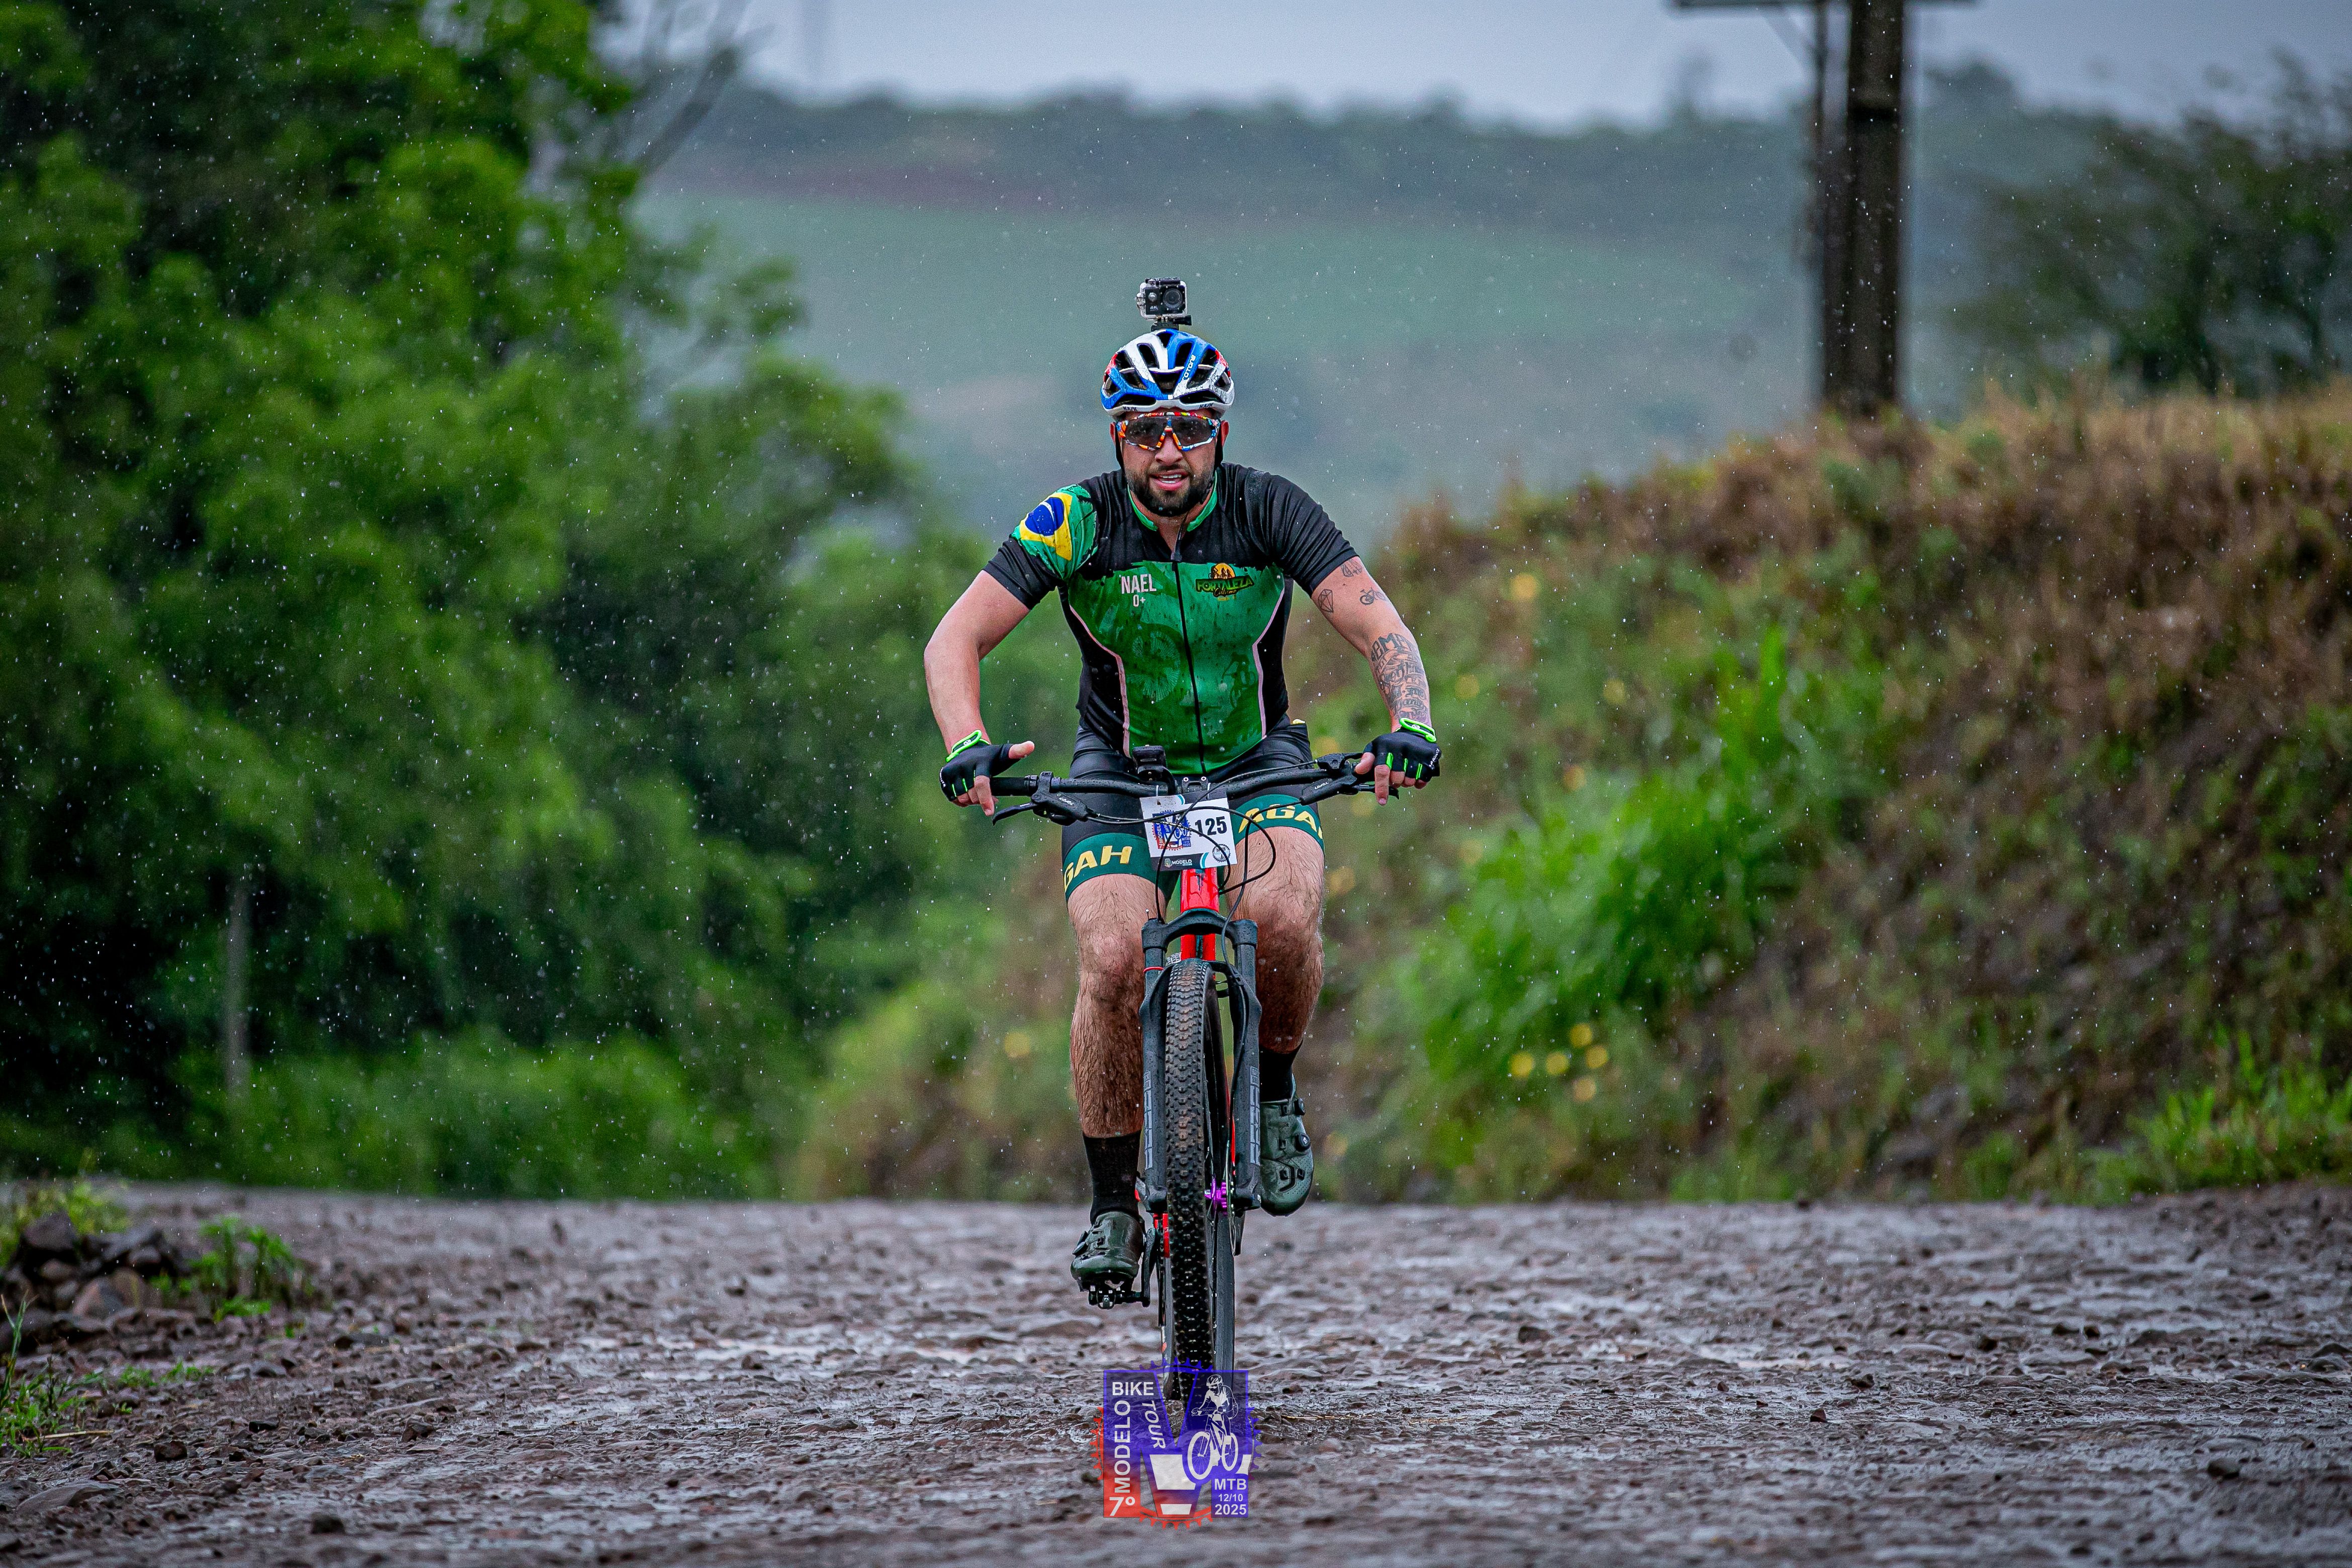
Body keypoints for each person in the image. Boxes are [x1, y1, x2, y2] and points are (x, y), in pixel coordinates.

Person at [922, 289, 1439, 1301]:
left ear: (1220, 435)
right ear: (1117, 437)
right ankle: (1115, 1203)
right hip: (1121, 774)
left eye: (1190, 430)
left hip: (1254, 765)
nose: (1169, 451)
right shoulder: (1075, 520)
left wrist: (1411, 721)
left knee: (1282, 918)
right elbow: (956, 637)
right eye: (1146, 430)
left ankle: (1274, 1094)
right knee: (1115, 960)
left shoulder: (1270, 509)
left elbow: (1378, 623)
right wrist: (968, 743)